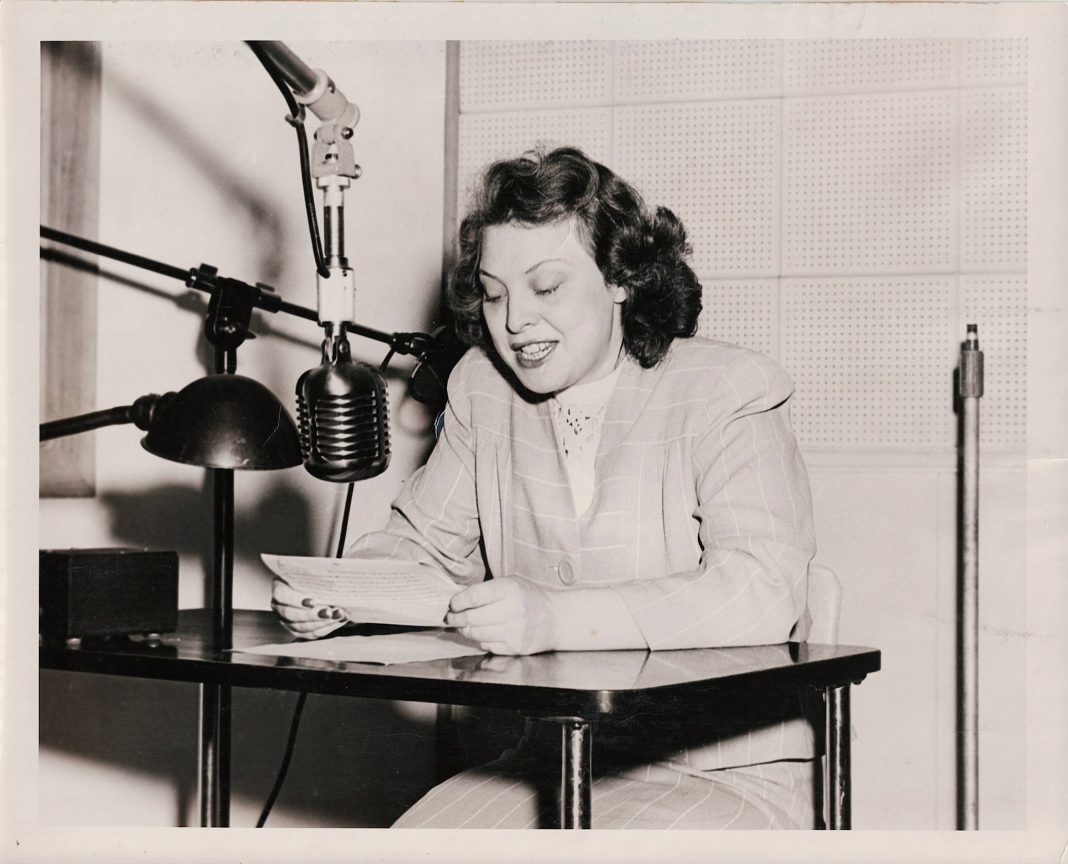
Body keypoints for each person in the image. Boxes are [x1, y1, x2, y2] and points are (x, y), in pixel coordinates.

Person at [272, 147, 818, 829]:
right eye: (495, 293)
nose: (515, 321)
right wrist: (342, 594)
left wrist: (555, 618)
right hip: (556, 763)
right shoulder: (481, 389)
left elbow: (761, 589)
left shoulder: (726, 389)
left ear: (622, 278)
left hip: (725, 772)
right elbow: (421, 549)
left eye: (547, 287)